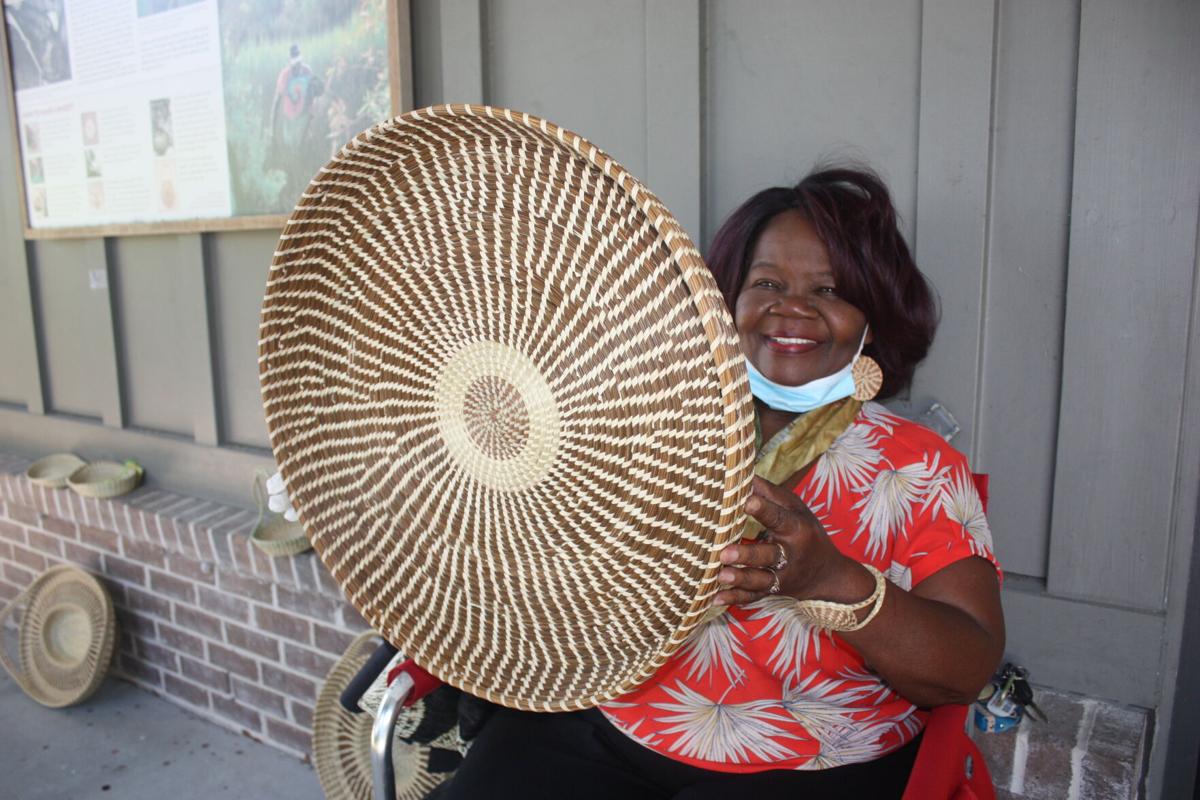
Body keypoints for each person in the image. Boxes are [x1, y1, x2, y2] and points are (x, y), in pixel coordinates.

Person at [440, 166, 1005, 799]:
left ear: (872, 318)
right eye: (766, 282)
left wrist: (830, 579)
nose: (792, 307)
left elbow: (968, 666)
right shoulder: (647, 421)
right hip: (622, 718)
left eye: (830, 289)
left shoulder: (918, 466)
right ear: (724, 301)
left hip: (816, 756)